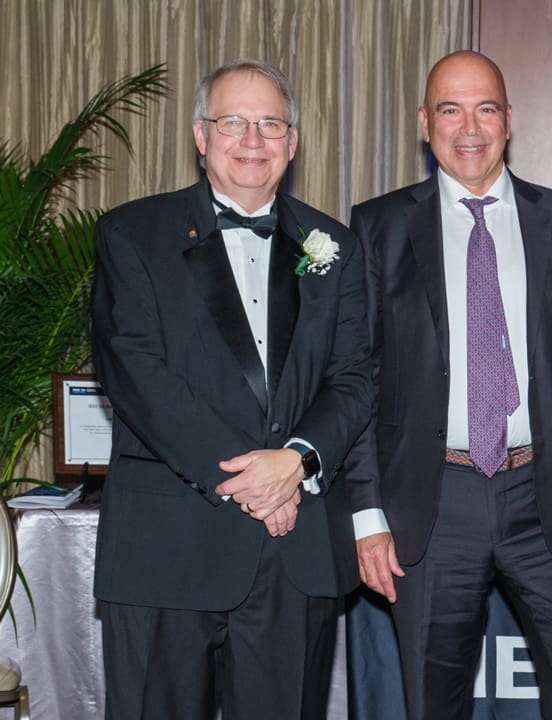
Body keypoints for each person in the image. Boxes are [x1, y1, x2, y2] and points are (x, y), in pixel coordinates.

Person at [345, 50, 552, 719]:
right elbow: (358, 379)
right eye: (450, 109)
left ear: (509, 120)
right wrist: (366, 515)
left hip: (549, 497)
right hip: (430, 502)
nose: (468, 126)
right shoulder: (379, 227)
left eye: (486, 108)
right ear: (426, 123)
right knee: (434, 700)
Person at [91, 59, 372, 718]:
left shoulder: (334, 246)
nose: (253, 139)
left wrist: (296, 460)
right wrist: (253, 480)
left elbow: (355, 377)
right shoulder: (132, 234)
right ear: (199, 135)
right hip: (169, 545)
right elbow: (134, 371)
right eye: (234, 122)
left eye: (271, 123)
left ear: (294, 141)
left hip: (294, 551)